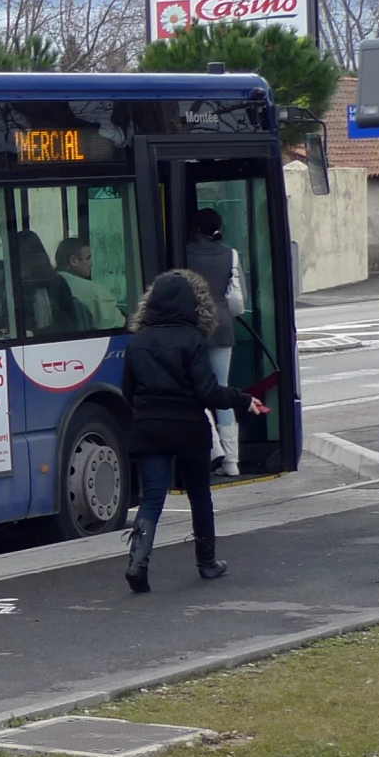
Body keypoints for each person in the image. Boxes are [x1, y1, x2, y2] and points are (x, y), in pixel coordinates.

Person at [120, 270, 268, 593]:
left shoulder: (137, 342)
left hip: (149, 431)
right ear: (191, 305)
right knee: (199, 496)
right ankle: (207, 562)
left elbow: (126, 392)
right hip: (189, 429)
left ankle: (137, 562)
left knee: (153, 499)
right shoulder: (193, 340)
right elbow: (209, 392)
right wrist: (244, 401)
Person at [184, 208, 251, 474]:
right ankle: (232, 461)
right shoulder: (231, 254)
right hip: (223, 325)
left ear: (195, 228)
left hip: (194, 326)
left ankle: (214, 449)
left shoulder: (184, 253)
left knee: (193, 390)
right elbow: (238, 299)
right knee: (221, 389)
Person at [12, 230, 78, 334]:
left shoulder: (57, 283)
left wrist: (34, 334)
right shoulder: (12, 286)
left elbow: (70, 325)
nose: (35, 263)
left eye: (36, 256)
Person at [55, 236, 123, 331]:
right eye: (88, 258)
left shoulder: (48, 284)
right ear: (74, 261)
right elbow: (116, 328)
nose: (91, 264)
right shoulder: (94, 292)